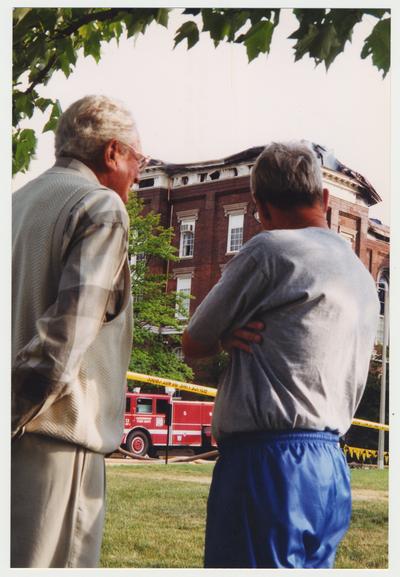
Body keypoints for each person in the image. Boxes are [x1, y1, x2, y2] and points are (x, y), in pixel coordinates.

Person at [182, 141, 380, 569]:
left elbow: (193, 341)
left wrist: (226, 336)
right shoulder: (361, 278)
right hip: (330, 464)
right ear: (324, 198)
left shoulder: (268, 250)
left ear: (261, 207)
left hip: (265, 462)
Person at [11, 95, 149, 568]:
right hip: (53, 445)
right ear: (112, 153)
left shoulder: (16, 203)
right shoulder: (100, 207)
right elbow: (62, 344)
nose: (138, 173)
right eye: (138, 159)